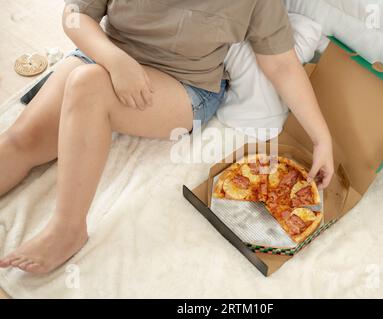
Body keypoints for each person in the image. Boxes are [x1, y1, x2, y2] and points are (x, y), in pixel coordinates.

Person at [0, 0, 334, 274]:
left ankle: (67, 230)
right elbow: (76, 16)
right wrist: (116, 61)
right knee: (21, 141)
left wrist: (322, 139)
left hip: (182, 87)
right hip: (105, 56)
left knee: (87, 86)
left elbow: (282, 66)